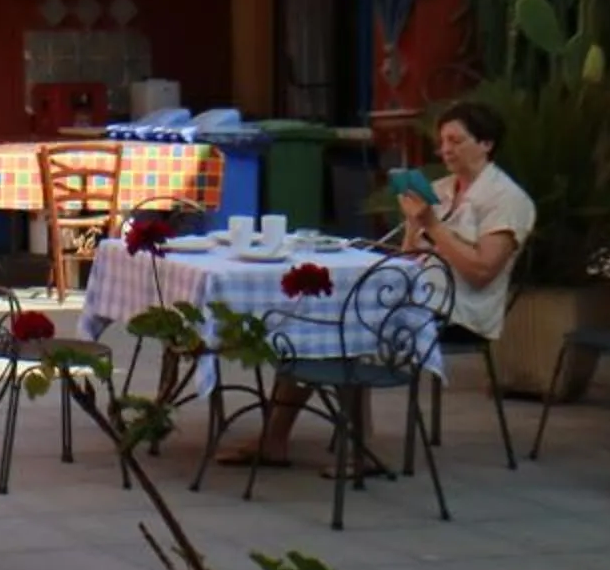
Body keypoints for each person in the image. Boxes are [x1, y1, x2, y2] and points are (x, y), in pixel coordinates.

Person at [222, 99, 533, 468]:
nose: (445, 150)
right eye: (443, 142)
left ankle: (358, 447)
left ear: (486, 144)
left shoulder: (506, 199)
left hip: (458, 308)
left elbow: (483, 270)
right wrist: (414, 229)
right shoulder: (443, 189)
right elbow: (409, 257)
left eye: (456, 141)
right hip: (413, 292)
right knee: (313, 317)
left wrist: (432, 225)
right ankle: (275, 439)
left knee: (350, 323)